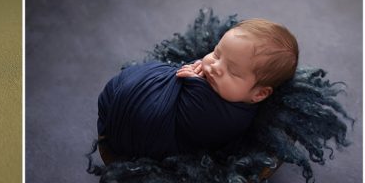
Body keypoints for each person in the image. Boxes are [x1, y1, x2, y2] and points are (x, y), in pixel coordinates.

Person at [98, 19, 298, 159]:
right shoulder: (224, 85)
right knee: (151, 74)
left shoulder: (231, 118)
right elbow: (187, 71)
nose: (216, 67)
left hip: (145, 127)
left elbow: (197, 124)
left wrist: (194, 82)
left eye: (233, 72)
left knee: (147, 108)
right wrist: (195, 71)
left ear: (259, 94)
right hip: (127, 98)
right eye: (217, 54)